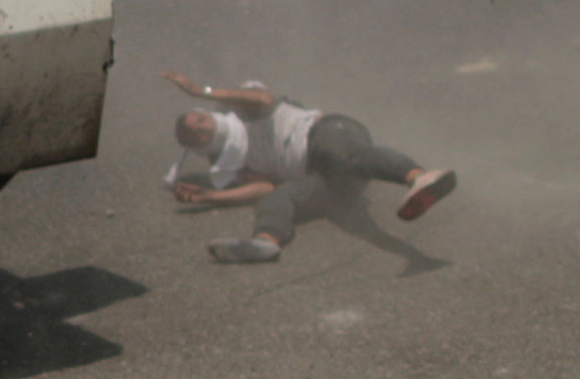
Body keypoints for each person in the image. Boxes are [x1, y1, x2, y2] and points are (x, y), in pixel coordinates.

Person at [162, 69, 456, 265]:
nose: (201, 128)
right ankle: (264, 243)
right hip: (320, 178)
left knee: (344, 157)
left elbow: (264, 98)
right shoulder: (228, 166)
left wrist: (202, 92)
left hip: (325, 135)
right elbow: (264, 187)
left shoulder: (238, 112)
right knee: (278, 197)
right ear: (197, 148)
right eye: (193, 134)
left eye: (198, 119)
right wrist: (209, 197)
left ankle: (419, 177)